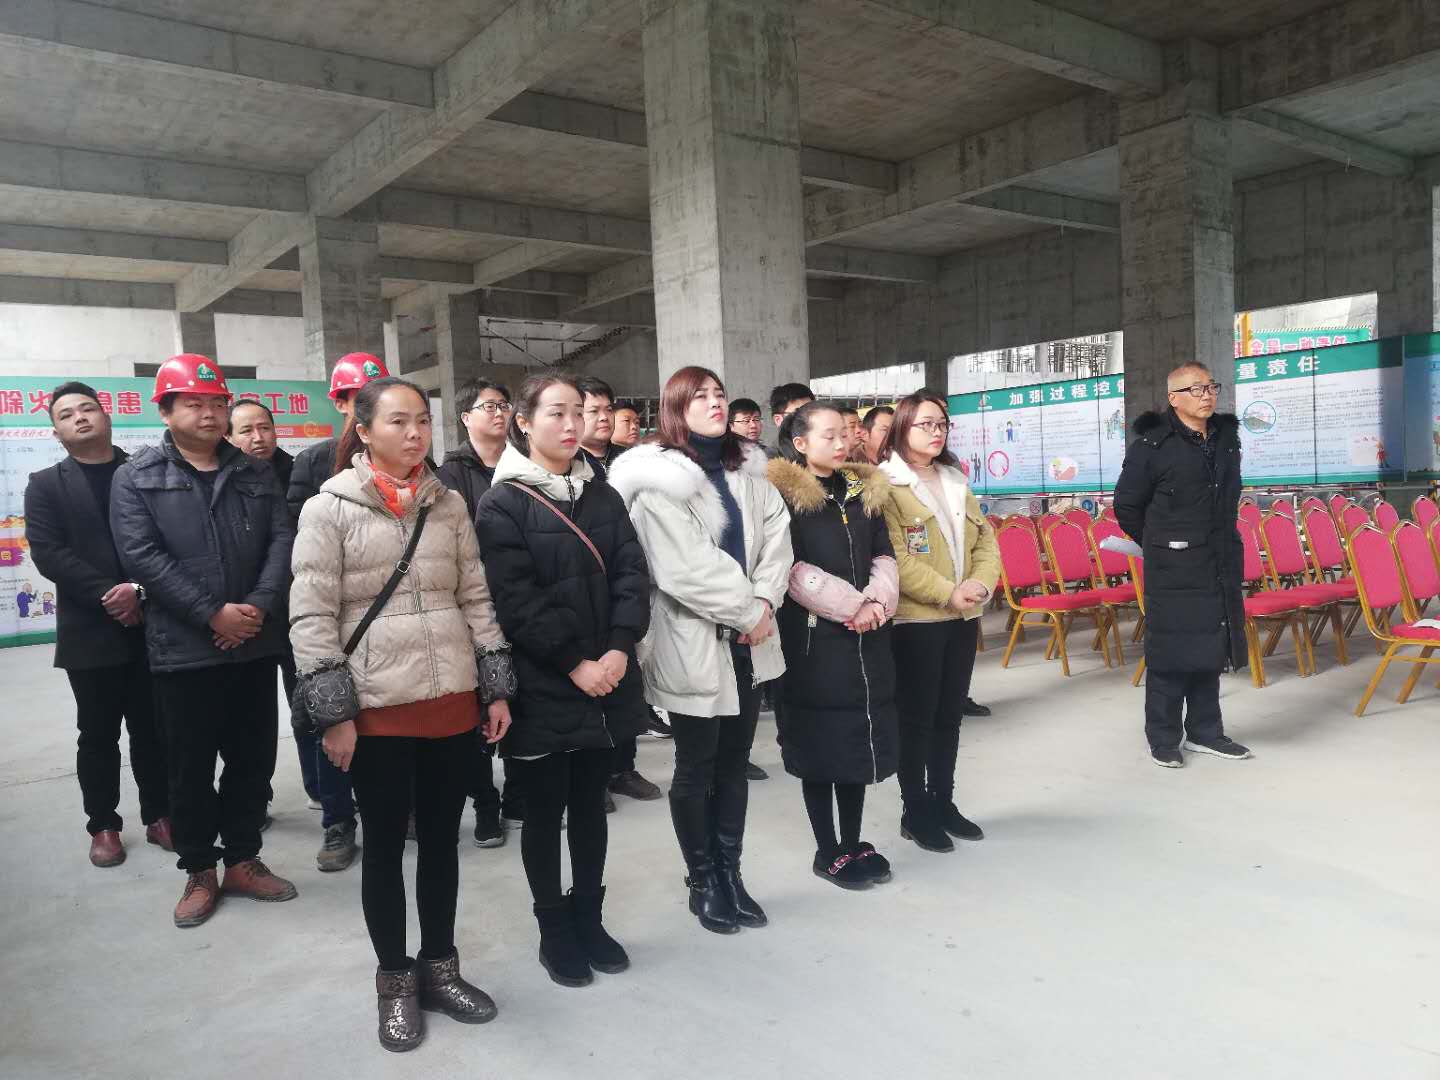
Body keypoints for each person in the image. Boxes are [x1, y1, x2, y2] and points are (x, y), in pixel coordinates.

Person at [289, 377, 515, 1052]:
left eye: (421, 420)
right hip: (378, 711)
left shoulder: (447, 504)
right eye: (397, 421)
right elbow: (311, 616)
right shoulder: (327, 510)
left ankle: (440, 968)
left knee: (442, 843)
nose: (414, 433)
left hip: (450, 703)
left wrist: (494, 685)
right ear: (362, 430)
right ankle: (394, 981)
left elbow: (475, 596)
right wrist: (335, 714)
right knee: (385, 849)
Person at [475, 374, 652, 987]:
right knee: (546, 810)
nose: (572, 423)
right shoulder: (502, 503)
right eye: (556, 412)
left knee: (591, 806)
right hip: (546, 681)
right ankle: (554, 928)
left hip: (609, 672)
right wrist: (577, 664)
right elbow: (514, 598)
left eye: (579, 411)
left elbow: (631, 571)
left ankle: (590, 918)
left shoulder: (603, 496)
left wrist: (620, 647)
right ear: (524, 422)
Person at [110, 355, 298, 927]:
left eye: (218, 403)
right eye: (194, 403)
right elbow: (142, 555)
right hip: (184, 648)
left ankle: (243, 859)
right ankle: (199, 869)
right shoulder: (137, 477)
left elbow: (281, 541)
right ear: (165, 411)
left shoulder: (255, 473)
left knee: (252, 758)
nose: (210, 413)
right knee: (189, 767)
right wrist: (212, 614)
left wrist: (258, 606)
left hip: (253, 641)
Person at [609, 366, 792, 935]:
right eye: (700, 396)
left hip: (751, 640)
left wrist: (764, 604)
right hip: (694, 639)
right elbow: (682, 568)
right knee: (696, 766)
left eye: (719, 394)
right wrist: (748, 612)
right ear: (675, 408)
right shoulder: (658, 481)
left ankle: (732, 875)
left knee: (735, 764)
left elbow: (777, 542)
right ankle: (703, 879)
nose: (714, 403)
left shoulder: (751, 472)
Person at [25, 381, 170, 868]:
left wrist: (139, 590)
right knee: (97, 733)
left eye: (88, 408)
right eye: (67, 415)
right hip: (90, 629)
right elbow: (49, 553)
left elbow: (168, 538)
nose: (80, 418)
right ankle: (104, 824)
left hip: (152, 623)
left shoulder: (145, 471)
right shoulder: (46, 484)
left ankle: (160, 815)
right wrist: (112, 594)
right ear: (56, 432)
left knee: (153, 729)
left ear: (107, 416)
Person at [766, 403, 899, 889]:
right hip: (814, 641)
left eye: (845, 433)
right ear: (800, 443)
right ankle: (827, 849)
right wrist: (853, 607)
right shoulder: (782, 497)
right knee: (820, 745)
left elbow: (883, 553)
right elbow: (790, 567)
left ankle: (853, 840)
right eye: (828, 436)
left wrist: (878, 602)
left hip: (867, 634)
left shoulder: (863, 490)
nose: (842, 443)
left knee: (855, 740)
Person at [228, 397, 354, 864]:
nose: (258, 437)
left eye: (264, 427)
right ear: (229, 435)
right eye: (246, 430)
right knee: (287, 713)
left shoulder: (295, 467)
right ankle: (312, 794)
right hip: (261, 614)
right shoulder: (232, 477)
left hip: (314, 607)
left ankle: (331, 794)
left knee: (323, 705)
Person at [878, 391, 999, 854]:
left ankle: (943, 802)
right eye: (925, 424)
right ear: (902, 428)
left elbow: (986, 541)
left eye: (942, 424)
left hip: (963, 615)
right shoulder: (886, 484)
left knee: (949, 715)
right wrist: (948, 592)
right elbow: (896, 557)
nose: (936, 432)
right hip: (918, 620)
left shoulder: (954, 478)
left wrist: (980, 584)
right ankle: (915, 811)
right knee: (917, 719)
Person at [1114, 362, 1251, 768]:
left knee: (1211, 644)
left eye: (1210, 387)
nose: (1206, 395)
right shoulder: (1152, 446)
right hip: (1172, 566)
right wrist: (1161, 544)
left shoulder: (1226, 440)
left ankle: (1207, 732)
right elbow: (1127, 505)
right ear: (1174, 398)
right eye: (1195, 389)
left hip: (1218, 559)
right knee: (1171, 651)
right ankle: (1163, 737)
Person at [436, 376, 523, 847]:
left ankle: (519, 795)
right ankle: (485, 802)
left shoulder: (523, 463)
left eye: (504, 404)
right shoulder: (449, 474)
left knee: (520, 701)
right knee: (478, 707)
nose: (499, 412)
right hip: (472, 601)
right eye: (489, 405)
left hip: (519, 596)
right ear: (465, 417)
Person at [576, 376, 661, 804]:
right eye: (593, 410)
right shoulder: (569, 467)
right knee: (592, 687)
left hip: (630, 579)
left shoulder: (632, 462)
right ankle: (594, 777)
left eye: (607, 409)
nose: (603, 418)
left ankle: (624, 769)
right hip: (585, 587)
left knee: (627, 682)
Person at [287, 353, 389, 517]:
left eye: (381, 399)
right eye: (364, 399)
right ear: (341, 405)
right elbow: (300, 522)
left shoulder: (407, 457)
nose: (375, 407)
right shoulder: (312, 461)